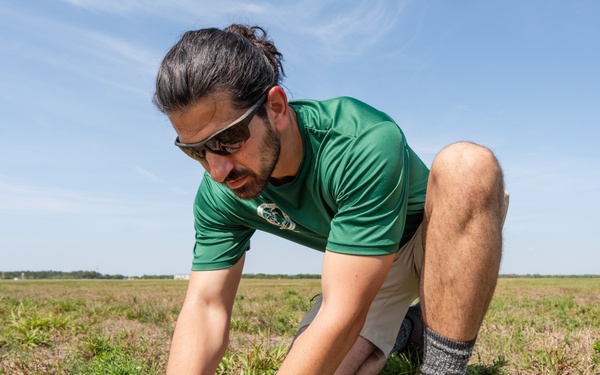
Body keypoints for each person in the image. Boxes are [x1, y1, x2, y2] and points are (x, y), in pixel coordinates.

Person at [153, 24, 509, 375]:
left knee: (467, 166)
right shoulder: (220, 191)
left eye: (229, 138)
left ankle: (443, 368)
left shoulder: (359, 141)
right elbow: (205, 305)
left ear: (276, 108)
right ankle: (408, 328)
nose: (216, 170)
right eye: (195, 151)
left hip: (431, 237)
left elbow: (343, 313)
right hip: (365, 264)